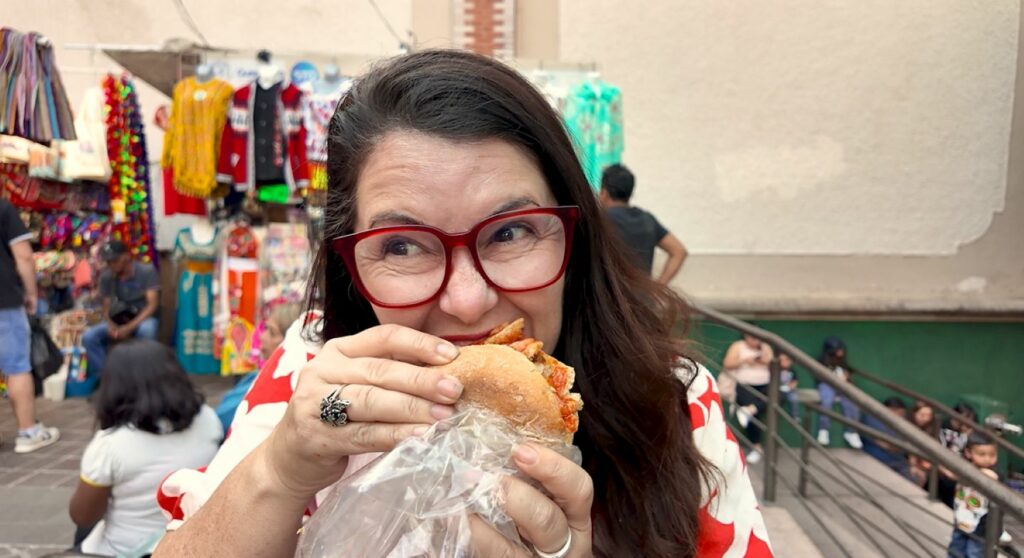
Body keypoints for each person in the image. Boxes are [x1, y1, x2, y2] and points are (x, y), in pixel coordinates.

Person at [153, 50, 772, 557]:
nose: (469, 302)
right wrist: (281, 473)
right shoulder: (312, 371)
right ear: (351, 267)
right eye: (401, 245)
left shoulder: (674, 405)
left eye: (510, 232)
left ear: (573, 236)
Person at [70, 340, 222, 556]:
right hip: (193, 543)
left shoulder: (110, 445)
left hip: (130, 551)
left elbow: (82, 516)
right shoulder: (208, 419)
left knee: (83, 532)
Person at [0, 198, 60, 453]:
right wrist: (31, 293)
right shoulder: (2, 208)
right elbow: (24, 256)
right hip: (3, 300)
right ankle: (29, 432)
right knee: (16, 366)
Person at [215, 301, 305, 433]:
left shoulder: (268, 385)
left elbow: (220, 420)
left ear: (291, 341)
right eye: (265, 329)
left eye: (272, 333)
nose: (262, 337)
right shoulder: (259, 376)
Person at [599, 164, 688, 285]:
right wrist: (659, 287)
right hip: (644, 299)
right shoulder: (647, 220)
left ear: (604, 193)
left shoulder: (601, 220)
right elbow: (679, 251)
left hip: (613, 299)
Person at [81, 240, 160, 375]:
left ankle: (142, 376)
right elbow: (106, 306)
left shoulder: (146, 271)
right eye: (108, 261)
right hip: (118, 317)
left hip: (142, 316)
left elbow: (152, 305)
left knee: (147, 330)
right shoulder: (107, 276)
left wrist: (129, 328)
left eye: (114, 260)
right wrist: (111, 324)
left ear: (126, 256)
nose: (111, 264)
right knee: (89, 337)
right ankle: (107, 376)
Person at [947, 434, 1012, 558]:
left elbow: (993, 479)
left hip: (983, 527)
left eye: (992, 455)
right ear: (968, 452)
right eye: (982, 454)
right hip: (962, 519)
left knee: (975, 553)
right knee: (956, 549)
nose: (987, 459)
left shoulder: (995, 473)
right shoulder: (964, 468)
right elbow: (949, 472)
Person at [722, 333, 773, 464]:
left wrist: (764, 361)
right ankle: (756, 447)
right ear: (746, 337)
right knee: (749, 409)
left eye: (758, 337)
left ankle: (751, 409)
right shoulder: (738, 346)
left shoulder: (765, 347)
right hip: (744, 385)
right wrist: (745, 360)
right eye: (753, 337)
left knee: (775, 395)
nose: (756, 340)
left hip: (765, 385)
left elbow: (775, 365)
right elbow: (727, 363)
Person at [815, 336, 863, 449]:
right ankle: (823, 430)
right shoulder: (822, 361)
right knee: (827, 400)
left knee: (852, 401)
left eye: (841, 349)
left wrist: (847, 377)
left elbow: (848, 375)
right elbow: (822, 378)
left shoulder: (842, 362)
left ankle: (852, 432)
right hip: (828, 385)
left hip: (842, 387)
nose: (841, 352)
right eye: (838, 349)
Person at [860, 397, 913, 480]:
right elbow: (887, 445)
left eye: (902, 414)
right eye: (899, 413)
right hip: (877, 460)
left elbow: (906, 445)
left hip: (899, 462)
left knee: (916, 476)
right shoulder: (872, 419)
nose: (900, 416)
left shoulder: (902, 424)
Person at [778, 353, 800, 418]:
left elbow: (795, 380)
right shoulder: (776, 369)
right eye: (782, 360)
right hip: (778, 390)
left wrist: (792, 386)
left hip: (789, 390)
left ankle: (795, 416)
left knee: (794, 398)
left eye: (787, 360)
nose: (784, 362)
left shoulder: (792, 370)